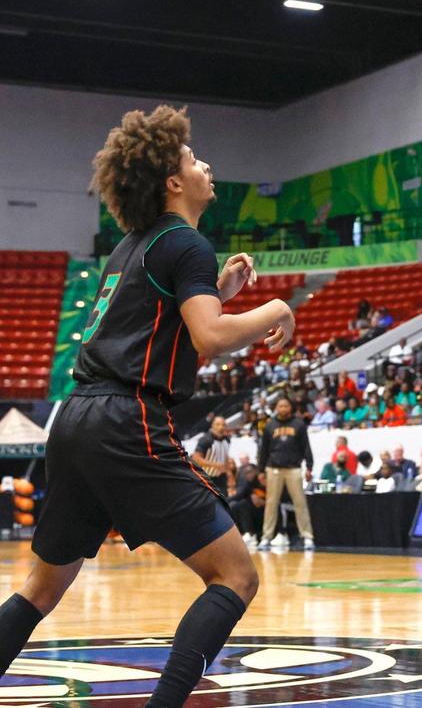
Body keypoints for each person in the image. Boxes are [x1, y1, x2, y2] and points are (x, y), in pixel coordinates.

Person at [0, 106, 295, 703]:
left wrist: (218, 291)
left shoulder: (131, 247)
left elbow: (161, 332)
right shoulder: (187, 242)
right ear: (173, 181)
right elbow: (210, 338)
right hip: (124, 419)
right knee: (235, 575)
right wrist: (276, 308)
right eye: (193, 158)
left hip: (76, 418)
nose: (205, 165)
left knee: (41, 589)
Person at [257, 398, 316, 552]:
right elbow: (264, 450)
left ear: (290, 407)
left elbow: (306, 447)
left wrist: (309, 467)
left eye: (285, 405)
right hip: (273, 469)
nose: (283, 408)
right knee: (271, 504)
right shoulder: (270, 425)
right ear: (276, 408)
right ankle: (266, 537)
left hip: (293, 469)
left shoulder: (299, 424)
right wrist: (260, 470)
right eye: (280, 405)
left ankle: (307, 536)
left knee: (300, 502)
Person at [193, 415, 232, 494]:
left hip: (222, 477)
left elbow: (225, 456)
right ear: (212, 425)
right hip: (207, 478)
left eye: (223, 425)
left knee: (224, 498)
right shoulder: (205, 440)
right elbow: (196, 459)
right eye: (218, 424)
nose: (221, 427)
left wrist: (229, 473)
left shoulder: (227, 440)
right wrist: (216, 465)